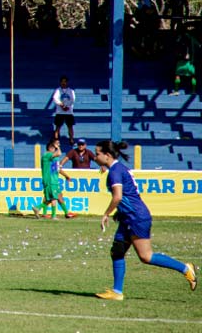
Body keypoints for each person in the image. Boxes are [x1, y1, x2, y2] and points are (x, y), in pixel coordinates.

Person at [91, 140, 197, 301]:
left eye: (97, 153)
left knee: (146, 256)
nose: (94, 157)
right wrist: (120, 212)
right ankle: (117, 292)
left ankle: (185, 268)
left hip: (136, 217)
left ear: (107, 155)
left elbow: (118, 196)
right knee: (117, 251)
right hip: (128, 217)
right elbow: (128, 195)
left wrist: (106, 214)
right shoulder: (118, 169)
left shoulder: (115, 171)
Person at [31, 139, 77, 220]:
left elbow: (57, 169)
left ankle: (66, 213)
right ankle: (52, 215)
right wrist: (57, 147)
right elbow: (59, 153)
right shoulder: (47, 155)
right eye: (56, 145)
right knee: (53, 198)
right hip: (50, 180)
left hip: (54, 180)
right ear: (50, 147)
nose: (57, 146)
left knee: (59, 196)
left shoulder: (54, 158)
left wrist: (66, 176)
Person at [52, 75, 75, 145]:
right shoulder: (57, 90)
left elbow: (72, 99)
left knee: (70, 126)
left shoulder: (71, 91)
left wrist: (67, 106)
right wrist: (62, 105)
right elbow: (55, 98)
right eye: (62, 81)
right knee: (58, 127)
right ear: (60, 82)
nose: (63, 83)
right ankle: (56, 140)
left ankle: (71, 139)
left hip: (69, 112)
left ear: (67, 82)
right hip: (59, 112)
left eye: (65, 81)